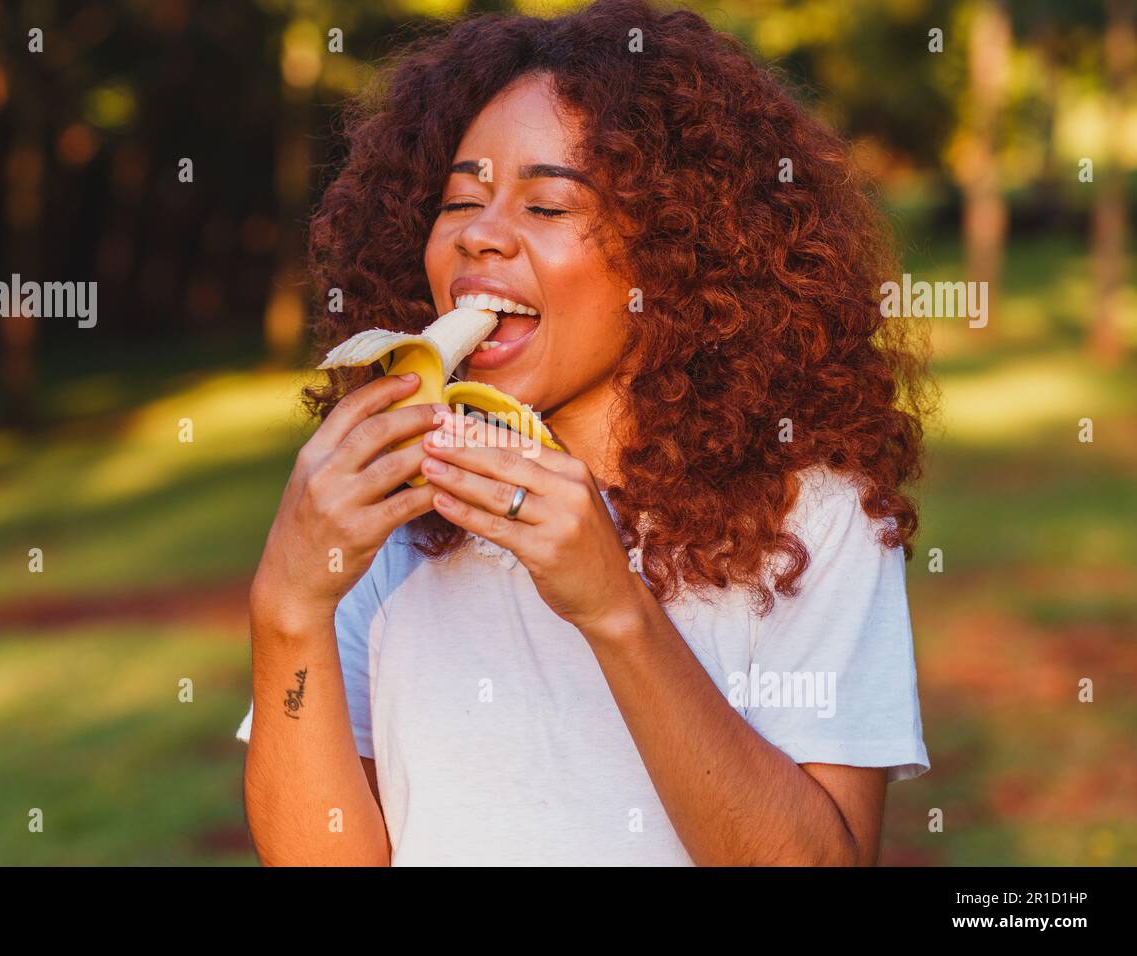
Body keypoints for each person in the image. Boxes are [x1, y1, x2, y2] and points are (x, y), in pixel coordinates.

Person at [238, 0, 932, 866]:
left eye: (548, 206)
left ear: (677, 251)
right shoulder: (396, 505)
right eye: (460, 200)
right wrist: (289, 609)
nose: (480, 235)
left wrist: (614, 608)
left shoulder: (816, 515)